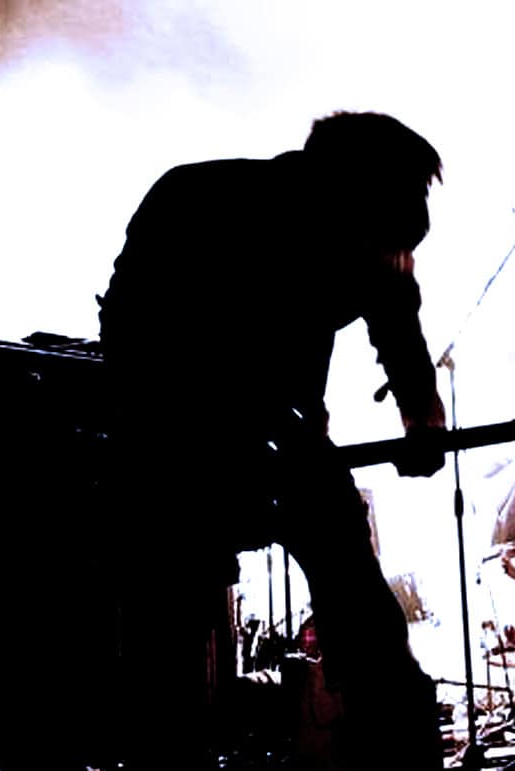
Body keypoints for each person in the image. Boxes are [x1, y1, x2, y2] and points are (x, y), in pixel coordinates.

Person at [96, 111, 448, 769]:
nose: (402, 239)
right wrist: (208, 419)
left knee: (362, 606)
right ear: (341, 188)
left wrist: (422, 421)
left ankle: (400, 758)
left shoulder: (372, 243)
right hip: (174, 438)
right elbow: (127, 327)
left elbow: (401, 335)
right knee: (171, 618)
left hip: (287, 437)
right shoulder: (197, 198)